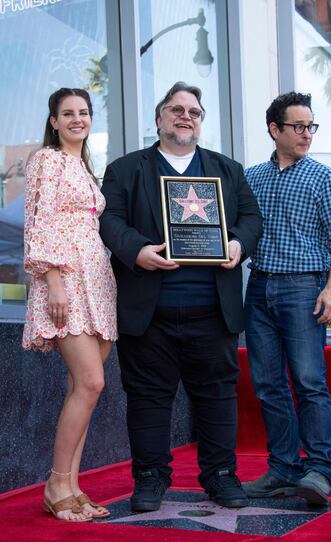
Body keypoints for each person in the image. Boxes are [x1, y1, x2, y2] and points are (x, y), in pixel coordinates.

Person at [100, 81, 262, 512]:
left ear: (200, 121)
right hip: (149, 311)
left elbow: (251, 218)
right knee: (148, 398)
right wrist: (137, 250)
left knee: (217, 396)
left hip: (212, 310)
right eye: (176, 109)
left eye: (193, 110)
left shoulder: (227, 169)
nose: (185, 116)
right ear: (159, 119)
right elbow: (109, 221)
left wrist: (237, 245)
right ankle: (150, 478)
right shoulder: (125, 170)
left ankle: (222, 476)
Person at [242, 91, 331, 506]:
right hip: (259, 288)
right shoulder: (251, 177)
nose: (306, 134)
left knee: (309, 382)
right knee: (268, 384)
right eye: (298, 126)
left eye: (311, 126)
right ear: (275, 130)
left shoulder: (323, 177)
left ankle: (320, 470)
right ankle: (283, 468)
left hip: (305, 289)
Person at [23, 88, 117, 521]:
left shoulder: (83, 166)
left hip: (98, 281)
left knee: (82, 389)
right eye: (68, 113)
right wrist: (54, 282)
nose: (77, 119)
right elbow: (40, 223)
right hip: (65, 281)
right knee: (91, 382)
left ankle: (73, 486)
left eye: (83, 112)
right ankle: (56, 484)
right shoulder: (48, 159)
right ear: (54, 121)